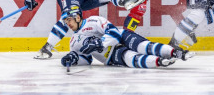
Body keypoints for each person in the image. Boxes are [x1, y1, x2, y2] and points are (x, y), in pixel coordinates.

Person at [60, 8, 194, 69]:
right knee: (132, 59)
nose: (68, 23)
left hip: (121, 37)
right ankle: (160, 61)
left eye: (69, 20)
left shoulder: (94, 20)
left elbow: (113, 31)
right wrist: (74, 59)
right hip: (110, 55)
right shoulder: (73, 42)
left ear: (77, 17)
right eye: (66, 22)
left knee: (144, 46)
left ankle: (177, 53)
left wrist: (100, 43)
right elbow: (87, 59)